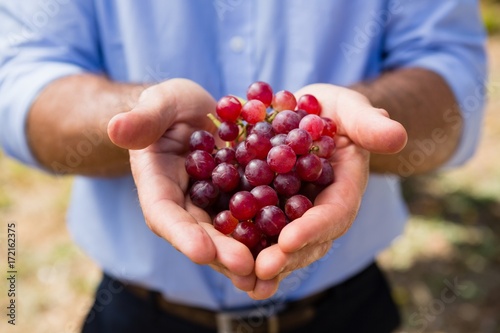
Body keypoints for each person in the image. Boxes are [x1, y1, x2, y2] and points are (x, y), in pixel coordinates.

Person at [0, 1, 487, 332]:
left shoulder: (291, 146)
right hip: (136, 313)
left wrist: (356, 122)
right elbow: (19, 75)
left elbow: (452, 67)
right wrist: (137, 119)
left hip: (349, 309)